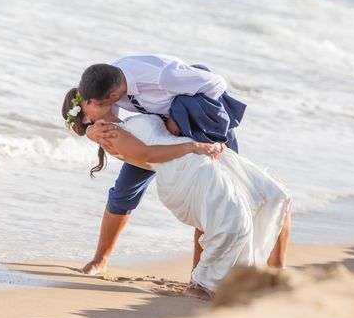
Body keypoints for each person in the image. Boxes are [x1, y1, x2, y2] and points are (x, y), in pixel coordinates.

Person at [62, 89, 292, 298]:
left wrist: (201, 143)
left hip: (200, 159)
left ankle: (264, 274)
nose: (101, 99)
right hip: (189, 167)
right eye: (89, 101)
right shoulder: (109, 134)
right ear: (84, 116)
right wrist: (192, 147)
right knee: (235, 224)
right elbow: (148, 156)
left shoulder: (124, 122)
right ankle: (201, 282)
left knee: (274, 196)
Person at [73, 55, 250, 276]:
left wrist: (178, 117)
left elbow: (216, 83)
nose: (94, 108)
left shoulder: (161, 77)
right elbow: (107, 115)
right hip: (157, 130)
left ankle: (198, 274)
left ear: (113, 95)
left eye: (97, 103)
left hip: (202, 123)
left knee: (213, 193)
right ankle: (100, 260)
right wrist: (91, 130)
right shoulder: (107, 78)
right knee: (124, 192)